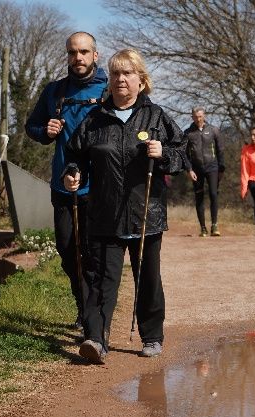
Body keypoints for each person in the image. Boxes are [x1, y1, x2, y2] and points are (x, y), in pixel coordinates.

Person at [63, 48, 188, 364]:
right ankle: (95, 338)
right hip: (104, 215)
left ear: (141, 80)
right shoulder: (95, 119)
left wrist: (164, 154)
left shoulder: (156, 117)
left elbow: (181, 156)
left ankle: (152, 337)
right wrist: (72, 174)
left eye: (128, 73)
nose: (121, 79)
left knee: (148, 279)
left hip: (146, 214)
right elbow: (75, 156)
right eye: (116, 73)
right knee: (102, 281)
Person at [25, 31, 108, 329]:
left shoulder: (110, 89)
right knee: (68, 251)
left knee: (93, 254)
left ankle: (93, 317)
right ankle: (83, 306)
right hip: (63, 186)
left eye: (84, 52)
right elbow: (31, 127)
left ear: (95, 56)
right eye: (73, 53)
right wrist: (45, 131)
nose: (78, 58)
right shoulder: (54, 91)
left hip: (99, 188)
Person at [185, 107, 225, 237]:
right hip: (197, 169)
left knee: (213, 194)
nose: (198, 119)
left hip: (212, 167)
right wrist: (189, 170)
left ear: (204, 116)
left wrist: (221, 168)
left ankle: (214, 225)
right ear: (192, 117)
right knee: (199, 197)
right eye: (195, 117)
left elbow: (220, 150)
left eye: (200, 116)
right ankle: (203, 228)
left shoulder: (214, 130)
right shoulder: (188, 133)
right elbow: (185, 155)